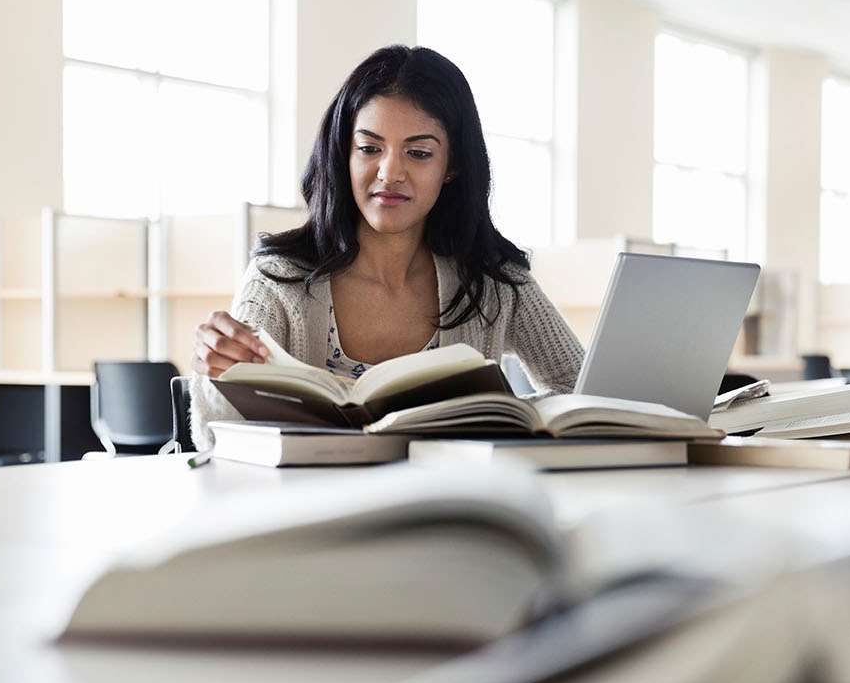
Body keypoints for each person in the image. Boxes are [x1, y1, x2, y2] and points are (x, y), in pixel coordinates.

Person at [188, 44, 584, 449]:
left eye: (418, 153)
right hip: (313, 506)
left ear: (453, 167)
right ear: (344, 153)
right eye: (369, 148)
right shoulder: (279, 277)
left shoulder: (493, 280)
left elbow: (584, 390)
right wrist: (214, 373)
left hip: (451, 505)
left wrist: (502, 417)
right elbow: (214, 437)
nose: (390, 172)